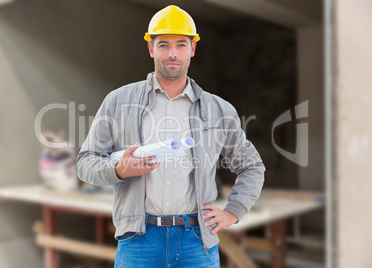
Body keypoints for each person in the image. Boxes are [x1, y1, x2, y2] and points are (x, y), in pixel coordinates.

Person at [77, 5, 265, 268]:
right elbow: (86, 163)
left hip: (196, 240)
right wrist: (118, 169)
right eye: (164, 44)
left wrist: (234, 211)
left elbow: (252, 166)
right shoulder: (118, 101)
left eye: (181, 44)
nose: (173, 53)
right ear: (151, 48)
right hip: (138, 241)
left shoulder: (219, 109)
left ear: (193, 49)